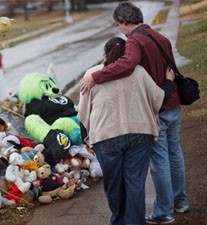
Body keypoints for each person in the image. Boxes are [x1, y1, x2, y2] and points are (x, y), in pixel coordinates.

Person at [80, 2, 189, 224]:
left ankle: (163, 211)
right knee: (174, 155)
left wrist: (96, 76)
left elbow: (127, 65)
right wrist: (168, 84)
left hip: (152, 109)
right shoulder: (162, 38)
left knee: (159, 162)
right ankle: (180, 201)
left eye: (119, 24)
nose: (120, 29)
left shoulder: (135, 41)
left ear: (125, 22)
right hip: (171, 104)